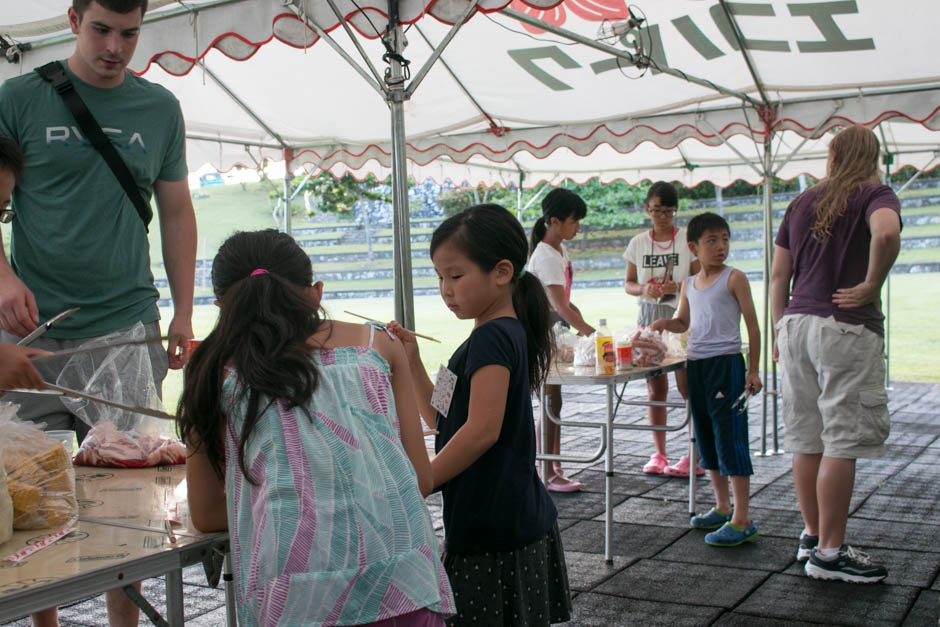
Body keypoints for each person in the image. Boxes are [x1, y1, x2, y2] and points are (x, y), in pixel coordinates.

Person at [0, 1, 197, 624]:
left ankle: (124, 622)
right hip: (30, 330)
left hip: (127, 321)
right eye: (101, 30)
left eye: (130, 33)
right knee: (33, 483)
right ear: (73, 18)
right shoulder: (18, 97)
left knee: (134, 493)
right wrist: (1, 275)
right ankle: (44, 616)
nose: (115, 47)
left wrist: (185, 313)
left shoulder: (159, 108)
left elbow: (177, 212)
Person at [179, 230, 454, 626]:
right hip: (401, 577)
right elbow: (419, 478)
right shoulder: (379, 346)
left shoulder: (212, 370)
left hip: (294, 595)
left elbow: (205, 513)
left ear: (222, 305)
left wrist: (293, 506)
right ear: (315, 293)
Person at [388, 204, 571, 626]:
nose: (446, 289)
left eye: (456, 275)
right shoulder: (494, 333)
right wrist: (412, 360)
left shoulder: (492, 337)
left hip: (496, 529)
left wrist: (427, 477)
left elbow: (482, 430)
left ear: (502, 273)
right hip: (505, 521)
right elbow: (442, 418)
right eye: (440, 278)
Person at [771, 125, 900, 583]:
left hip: (795, 325)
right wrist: (871, 284)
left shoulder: (801, 201)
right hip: (844, 329)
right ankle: (829, 553)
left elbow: (777, 273)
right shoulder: (875, 192)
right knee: (841, 440)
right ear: (872, 154)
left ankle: (812, 536)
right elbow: (885, 234)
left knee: (806, 437)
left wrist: (777, 329)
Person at [651, 212, 762, 546]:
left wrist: (753, 370)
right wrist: (663, 324)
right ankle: (722, 506)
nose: (720, 247)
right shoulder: (688, 284)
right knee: (706, 436)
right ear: (693, 247)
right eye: (712, 241)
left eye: (725, 239)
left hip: (726, 364)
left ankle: (743, 518)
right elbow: (683, 321)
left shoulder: (735, 278)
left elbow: (753, 326)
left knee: (730, 437)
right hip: (697, 364)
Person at [623, 181, 701, 476]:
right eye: (657, 211)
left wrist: (677, 286)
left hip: (681, 316)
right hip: (649, 314)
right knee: (655, 386)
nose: (663, 217)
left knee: (687, 386)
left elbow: (700, 277)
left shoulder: (687, 241)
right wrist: (645, 287)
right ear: (647, 209)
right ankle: (659, 453)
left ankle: (695, 451)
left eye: (668, 212)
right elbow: (629, 284)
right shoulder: (638, 242)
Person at [526, 188, 594, 492]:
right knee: (550, 402)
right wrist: (590, 332)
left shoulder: (556, 251)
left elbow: (566, 302)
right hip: (543, 334)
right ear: (554, 220)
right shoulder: (547, 255)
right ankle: (547, 470)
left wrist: (581, 322)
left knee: (554, 401)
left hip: (551, 331)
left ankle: (551, 467)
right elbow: (560, 305)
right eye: (574, 220)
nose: (577, 225)